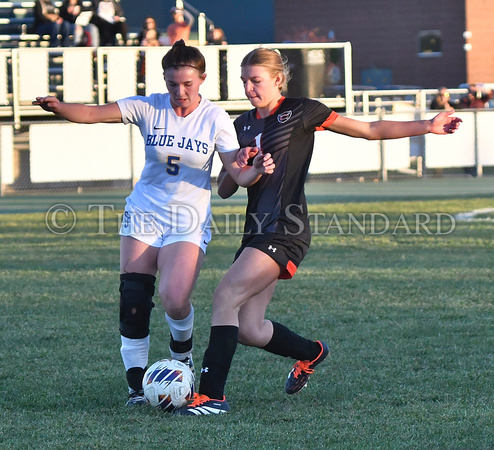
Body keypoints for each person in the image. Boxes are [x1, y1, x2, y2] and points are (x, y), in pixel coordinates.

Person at [175, 47, 463, 416]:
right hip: (256, 232)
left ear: (278, 79)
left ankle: (211, 397)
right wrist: (241, 163)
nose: (249, 87)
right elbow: (227, 186)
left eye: (256, 80)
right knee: (248, 328)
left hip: (286, 228)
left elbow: (369, 130)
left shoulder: (302, 110)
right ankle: (313, 352)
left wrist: (427, 125)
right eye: (244, 81)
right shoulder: (241, 124)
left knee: (224, 296)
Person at [33, 40, 274, 407]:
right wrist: (59, 107)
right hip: (144, 214)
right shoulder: (148, 106)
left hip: (187, 221)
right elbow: (93, 113)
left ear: (202, 79)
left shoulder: (215, 118)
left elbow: (237, 177)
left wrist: (254, 169)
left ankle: (182, 357)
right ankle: (136, 388)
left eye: (188, 85)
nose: (179, 92)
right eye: (172, 84)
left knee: (174, 300)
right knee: (133, 300)